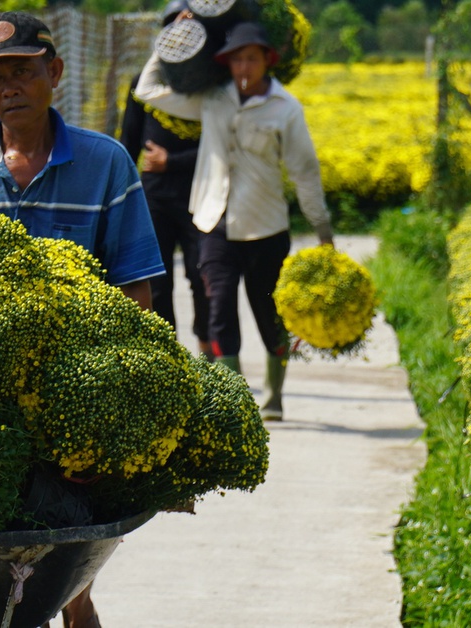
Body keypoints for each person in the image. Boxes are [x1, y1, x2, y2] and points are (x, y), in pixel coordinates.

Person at [0, 11, 165, 628]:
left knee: (65, 542)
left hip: (70, 389)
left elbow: (135, 287)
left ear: (55, 72)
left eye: (22, 71)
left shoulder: (106, 163)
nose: (8, 88)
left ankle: (73, 595)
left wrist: (109, 394)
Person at [135, 18, 335, 421]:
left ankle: (274, 396)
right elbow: (147, 90)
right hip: (214, 224)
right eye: (237, 59)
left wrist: (323, 232)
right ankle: (237, 402)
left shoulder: (285, 109)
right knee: (218, 308)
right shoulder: (212, 99)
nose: (244, 67)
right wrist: (172, 40)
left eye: (252, 59)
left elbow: (305, 172)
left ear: (267, 61)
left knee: (269, 315)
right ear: (226, 63)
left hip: (266, 228)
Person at [120, 0, 212, 359]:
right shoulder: (144, 85)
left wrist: (170, 162)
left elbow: (221, 149)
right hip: (153, 198)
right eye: (173, 32)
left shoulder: (210, 88)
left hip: (198, 196)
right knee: (156, 283)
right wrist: (121, 199)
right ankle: (168, 357)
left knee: (202, 276)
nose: (181, 39)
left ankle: (206, 352)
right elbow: (129, 143)